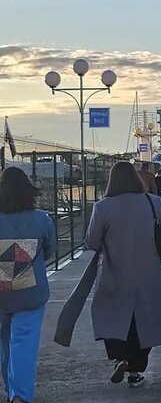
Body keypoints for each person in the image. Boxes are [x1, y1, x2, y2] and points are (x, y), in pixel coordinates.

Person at [84, 161, 161, 388]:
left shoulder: (102, 207)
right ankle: (135, 371)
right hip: (150, 275)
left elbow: (91, 242)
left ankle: (120, 357)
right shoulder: (153, 202)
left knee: (113, 318)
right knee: (144, 322)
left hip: (113, 274)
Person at [0, 166, 56, 403]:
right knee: (24, 342)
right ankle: (19, 395)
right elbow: (50, 252)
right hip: (29, 293)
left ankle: (9, 385)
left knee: (3, 345)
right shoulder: (41, 220)